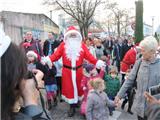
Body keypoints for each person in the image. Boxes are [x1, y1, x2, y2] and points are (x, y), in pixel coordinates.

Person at [42, 26, 105, 117]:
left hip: (78, 71)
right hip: (67, 71)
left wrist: (97, 61)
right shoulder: (63, 45)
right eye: (70, 35)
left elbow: (89, 56)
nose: (72, 37)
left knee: (80, 87)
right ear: (67, 36)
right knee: (70, 89)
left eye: (74, 35)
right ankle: (72, 106)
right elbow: (56, 55)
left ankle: (78, 102)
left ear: (77, 35)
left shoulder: (81, 45)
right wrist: (48, 59)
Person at [1, 29, 50, 120]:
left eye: (30, 34)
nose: (28, 36)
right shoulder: (21, 44)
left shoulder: (36, 43)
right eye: (27, 34)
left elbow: (41, 54)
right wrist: (31, 102)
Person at [115, 36, 160, 120]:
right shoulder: (139, 62)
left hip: (154, 110)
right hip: (140, 107)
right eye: (141, 49)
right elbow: (129, 80)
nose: (141, 52)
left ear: (152, 51)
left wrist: (152, 92)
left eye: (144, 50)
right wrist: (119, 95)